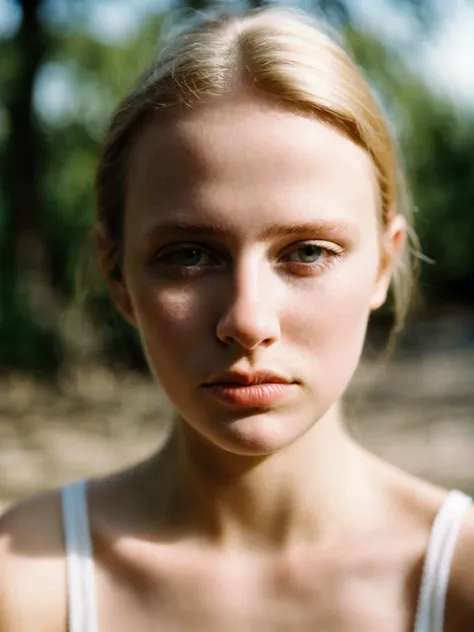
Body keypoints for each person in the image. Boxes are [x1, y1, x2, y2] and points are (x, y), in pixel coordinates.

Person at [1, 7, 473, 632]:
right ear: (117, 276)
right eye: (188, 256)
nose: (247, 321)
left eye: (307, 253)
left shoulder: (457, 581)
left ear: (383, 265)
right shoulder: (25, 585)